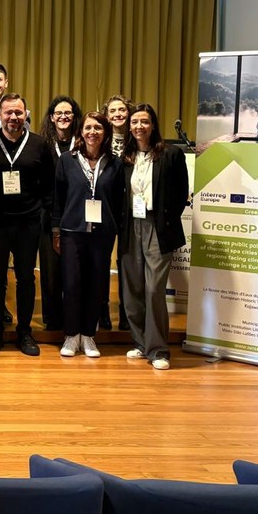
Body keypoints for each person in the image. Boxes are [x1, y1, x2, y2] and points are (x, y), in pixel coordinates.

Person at [0, 94, 55, 357]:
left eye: (18, 113)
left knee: (26, 278)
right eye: (8, 113)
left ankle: (25, 331)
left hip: (29, 223)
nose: (13, 117)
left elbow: (49, 185)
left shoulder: (40, 144)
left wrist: (46, 217)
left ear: (26, 115)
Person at [120, 103, 190, 371]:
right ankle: (140, 343)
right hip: (130, 227)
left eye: (145, 121)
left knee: (153, 290)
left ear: (153, 125)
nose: (139, 126)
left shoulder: (171, 154)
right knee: (133, 289)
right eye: (135, 122)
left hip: (158, 227)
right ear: (129, 126)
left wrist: (164, 219)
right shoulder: (125, 157)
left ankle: (159, 349)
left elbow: (181, 194)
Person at [53, 111, 123, 359]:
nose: (93, 132)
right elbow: (58, 198)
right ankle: (71, 335)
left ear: (105, 132)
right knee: (72, 284)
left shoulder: (115, 163)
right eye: (88, 127)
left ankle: (88, 335)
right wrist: (56, 230)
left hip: (103, 234)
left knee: (97, 284)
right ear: (81, 132)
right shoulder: (67, 160)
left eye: (98, 128)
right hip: (72, 231)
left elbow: (118, 199)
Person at [37, 96, 82, 331]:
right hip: (48, 213)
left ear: (74, 117)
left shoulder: (83, 143)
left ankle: (74, 317)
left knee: (75, 269)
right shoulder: (41, 144)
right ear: (52, 118)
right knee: (51, 270)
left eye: (68, 113)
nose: (63, 117)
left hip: (77, 212)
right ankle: (52, 319)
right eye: (59, 113)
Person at [103, 94, 134, 332]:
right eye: (112, 111)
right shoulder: (100, 139)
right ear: (106, 116)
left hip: (131, 209)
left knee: (126, 262)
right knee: (101, 261)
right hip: (104, 207)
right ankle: (102, 312)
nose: (117, 114)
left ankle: (127, 314)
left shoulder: (136, 139)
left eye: (121, 110)